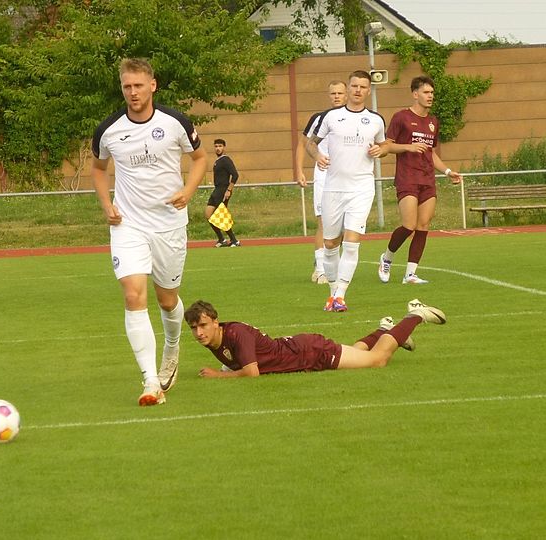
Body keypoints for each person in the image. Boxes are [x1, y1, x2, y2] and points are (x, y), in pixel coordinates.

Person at [91, 58, 207, 406]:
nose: (133, 92)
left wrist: (188, 191)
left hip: (169, 224)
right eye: (127, 86)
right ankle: (150, 381)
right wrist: (106, 204)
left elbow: (200, 158)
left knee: (167, 300)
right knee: (133, 295)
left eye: (138, 85)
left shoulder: (175, 122)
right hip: (128, 225)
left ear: (152, 85)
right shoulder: (108, 130)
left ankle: (172, 346)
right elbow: (98, 168)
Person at [186, 298, 446, 378]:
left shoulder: (235, 333)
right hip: (303, 349)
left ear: (216, 322)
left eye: (204, 326)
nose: (199, 333)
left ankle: (415, 315)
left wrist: (218, 375)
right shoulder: (217, 338)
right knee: (358, 354)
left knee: (377, 360)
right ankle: (383, 330)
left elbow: (252, 373)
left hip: (310, 353)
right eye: (194, 328)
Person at [306, 71, 386, 312]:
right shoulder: (331, 117)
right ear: (348, 88)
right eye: (354, 86)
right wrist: (318, 156)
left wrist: (381, 150)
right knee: (331, 243)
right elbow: (310, 143)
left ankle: (340, 295)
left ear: (369, 90)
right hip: (333, 188)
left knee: (351, 241)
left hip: (361, 188)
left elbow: (384, 144)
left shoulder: (376, 120)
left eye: (363, 86)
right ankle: (333, 293)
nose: (358, 90)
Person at [378, 76, 463, 284]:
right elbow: (386, 147)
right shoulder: (401, 117)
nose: (430, 96)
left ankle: (410, 274)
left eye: (432, 93)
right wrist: (408, 147)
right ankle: (387, 257)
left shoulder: (433, 122)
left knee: (423, 225)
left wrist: (448, 171)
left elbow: (431, 153)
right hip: (407, 179)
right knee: (409, 225)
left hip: (427, 180)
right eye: (426, 92)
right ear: (415, 94)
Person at [294, 80, 348, 283]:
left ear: (346, 94)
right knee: (323, 222)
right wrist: (300, 170)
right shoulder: (319, 118)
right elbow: (303, 144)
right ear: (329, 95)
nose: (336, 96)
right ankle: (320, 268)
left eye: (340, 93)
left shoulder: (354, 118)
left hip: (346, 179)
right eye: (333, 93)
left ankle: (332, 264)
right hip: (324, 176)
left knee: (342, 227)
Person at [206, 138, 241, 247]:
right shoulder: (218, 161)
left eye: (220, 146)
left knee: (221, 214)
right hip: (216, 190)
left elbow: (235, 175)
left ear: (224, 147)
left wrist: (229, 190)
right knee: (208, 214)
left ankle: (234, 240)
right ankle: (221, 239)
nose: (218, 148)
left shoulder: (226, 159)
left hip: (223, 190)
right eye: (216, 146)